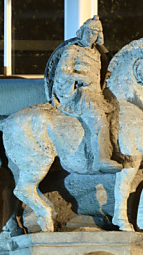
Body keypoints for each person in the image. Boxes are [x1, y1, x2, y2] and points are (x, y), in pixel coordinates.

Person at [44, 16, 119, 173]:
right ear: (82, 32)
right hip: (82, 96)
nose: (90, 36)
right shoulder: (72, 50)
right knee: (99, 121)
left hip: (97, 94)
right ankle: (101, 160)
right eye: (88, 32)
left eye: (94, 33)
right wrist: (79, 77)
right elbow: (62, 72)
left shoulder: (97, 54)